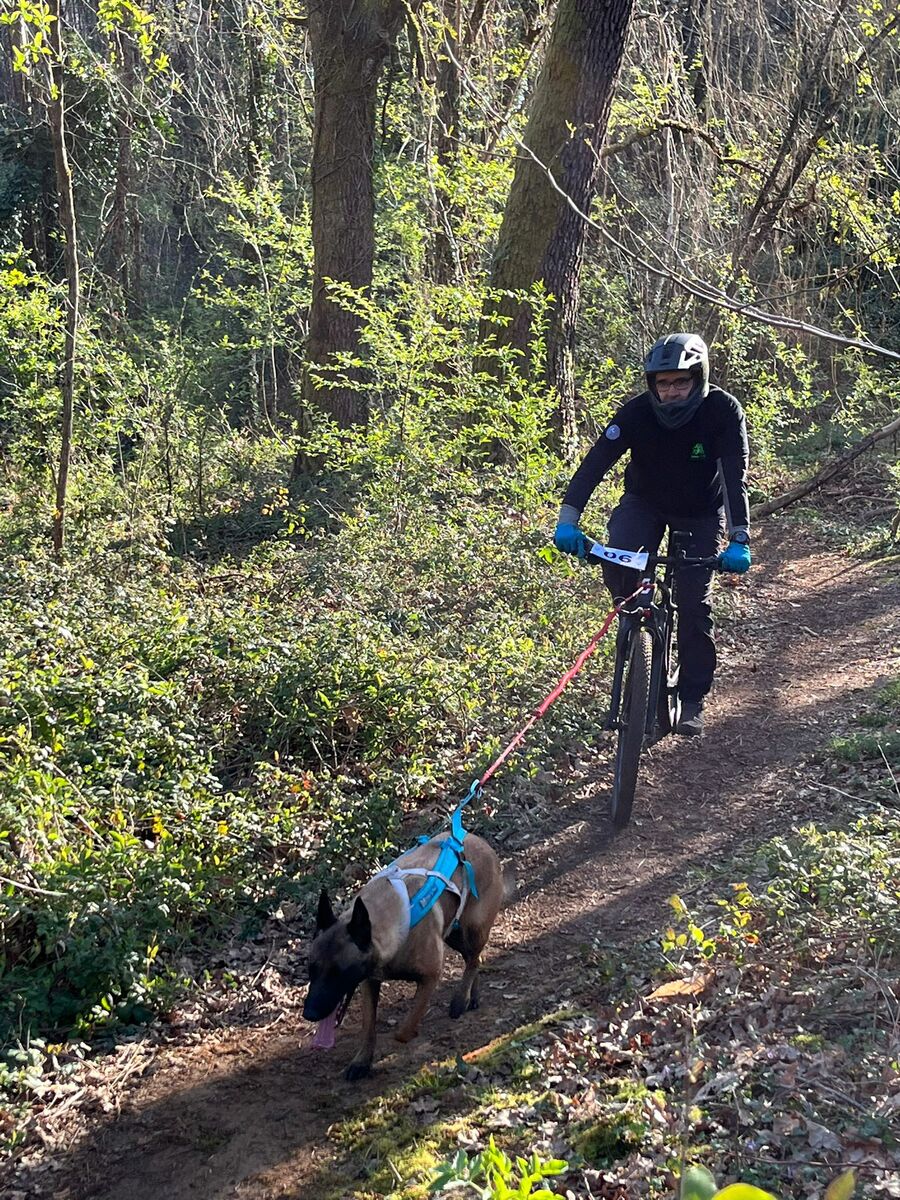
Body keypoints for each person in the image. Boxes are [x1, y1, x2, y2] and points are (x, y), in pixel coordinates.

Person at [553, 332, 751, 737]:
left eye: (681, 382)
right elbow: (594, 464)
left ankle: (692, 697)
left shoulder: (722, 411)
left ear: (699, 378)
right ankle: (636, 630)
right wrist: (568, 520)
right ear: (652, 385)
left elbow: (735, 477)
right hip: (645, 502)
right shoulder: (637, 413)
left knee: (693, 603)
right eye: (663, 383)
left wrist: (739, 539)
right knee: (619, 554)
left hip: (699, 512)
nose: (671, 391)